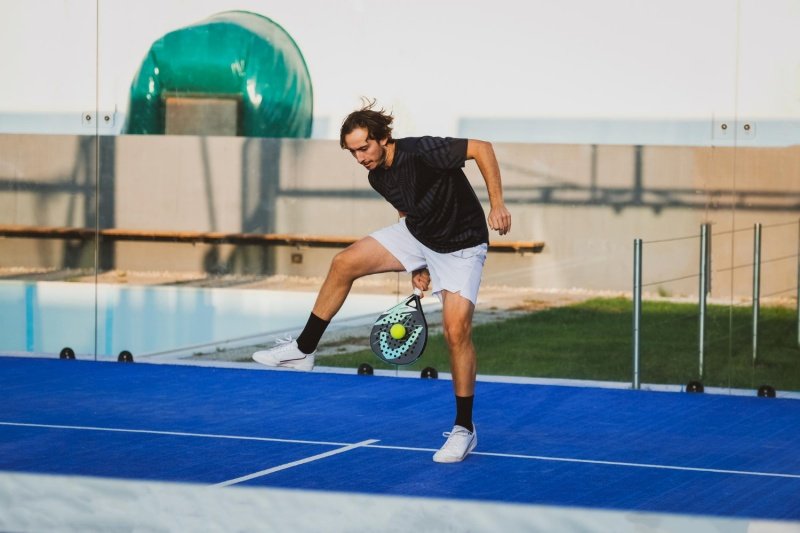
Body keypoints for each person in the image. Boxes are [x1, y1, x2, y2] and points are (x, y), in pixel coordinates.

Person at [253, 100, 511, 463]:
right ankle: (304, 348)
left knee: (456, 333)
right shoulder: (377, 175)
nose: (360, 158)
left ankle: (464, 429)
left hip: (462, 247)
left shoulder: (423, 150)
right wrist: (416, 263)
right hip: (421, 236)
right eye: (353, 152)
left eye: (364, 148)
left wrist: (496, 204)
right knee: (344, 263)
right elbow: (406, 208)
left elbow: (482, 148)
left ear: (384, 138)